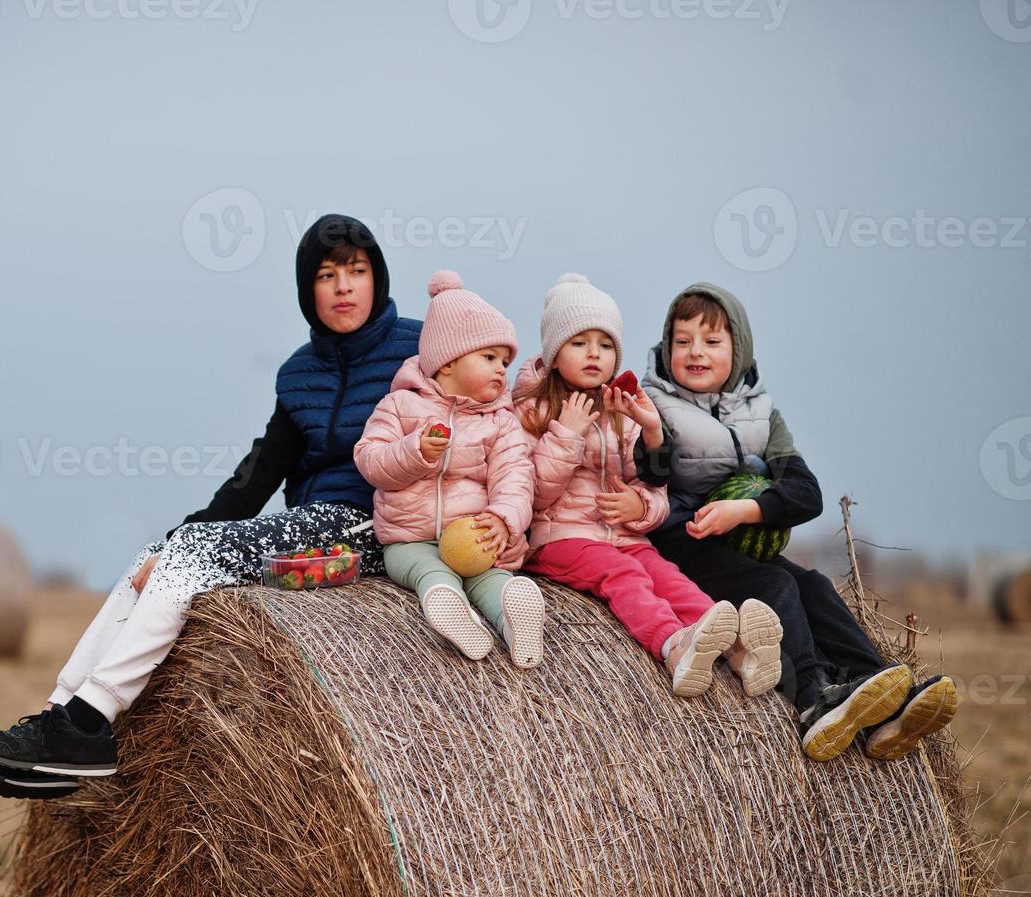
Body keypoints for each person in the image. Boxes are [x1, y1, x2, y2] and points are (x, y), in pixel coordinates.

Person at [0, 214, 423, 800]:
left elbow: (483, 405)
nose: (343, 286)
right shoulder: (299, 374)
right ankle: (56, 718)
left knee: (196, 556)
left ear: (378, 278)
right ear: (306, 292)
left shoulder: (418, 352)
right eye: (326, 275)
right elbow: (255, 477)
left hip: (371, 530)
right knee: (162, 552)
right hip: (304, 534)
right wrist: (175, 540)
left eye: (357, 270)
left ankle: (90, 723)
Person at [641, 283, 958, 760]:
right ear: (667, 348)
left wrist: (746, 510)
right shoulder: (654, 404)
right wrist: (649, 438)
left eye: (711, 341)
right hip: (680, 542)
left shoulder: (762, 415)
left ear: (738, 347)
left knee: (813, 584)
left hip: (738, 538)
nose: (695, 352)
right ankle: (812, 699)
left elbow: (806, 493)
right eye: (682, 341)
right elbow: (647, 470)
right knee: (775, 585)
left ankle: (880, 694)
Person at [514, 274, 784, 698]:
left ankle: (736, 647)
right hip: (560, 537)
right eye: (579, 343)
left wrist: (640, 506)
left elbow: (654, 488)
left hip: (623, 535)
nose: (594, 354)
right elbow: (531, 496)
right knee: (623, 574)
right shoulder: (533, 411)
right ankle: (674, 645)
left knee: (667, 575)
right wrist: (565, 435)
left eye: (605, 346)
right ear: (553, 353)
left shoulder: (621, 411)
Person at [353, 271, 542, 667]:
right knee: (427, 570)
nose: (500, 371)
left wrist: (504, 520)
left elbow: (516, 477)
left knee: (491, 577)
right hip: (408, 538)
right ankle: (449, 606)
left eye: (505, 362)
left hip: (471, 534)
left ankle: (514, 621)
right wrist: (414, 450)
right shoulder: (400, 406)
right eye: (489, 358)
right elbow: (370, 459)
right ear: (448, 361)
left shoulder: (501, 421)